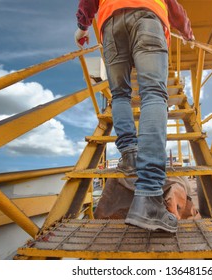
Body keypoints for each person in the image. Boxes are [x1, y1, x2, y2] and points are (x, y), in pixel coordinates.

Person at [75, 0, 194, 233]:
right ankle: (149, 196)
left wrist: (82, 27)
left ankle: (129, 154)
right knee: (153, 94)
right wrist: (187, 32)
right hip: (147, 17)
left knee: (119, 95)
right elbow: (173, 6)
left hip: (110, 24)